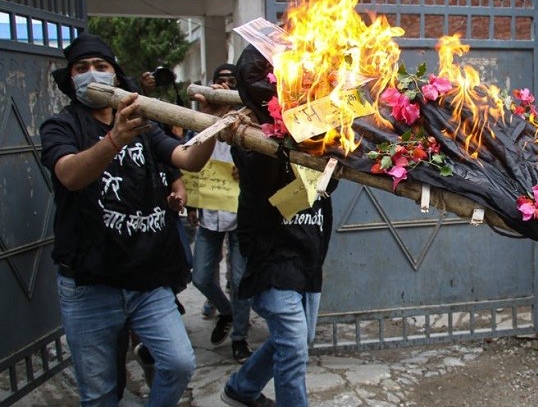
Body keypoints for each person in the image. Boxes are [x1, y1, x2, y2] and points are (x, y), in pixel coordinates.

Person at [39, 33, 228, 406]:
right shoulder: (60, 126)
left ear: (115, 74)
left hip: (148, 278)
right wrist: (114, 140)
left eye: (101, 66)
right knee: (100, 393)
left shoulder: (145, 125)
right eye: (82, 68)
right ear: (71, 77)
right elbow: (70, 176)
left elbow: (188, 159)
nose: (91, 73)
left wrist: (212, 125)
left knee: (177, 363)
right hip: (89, 284)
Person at [219, 45, 336, 407]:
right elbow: (270, 189)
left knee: (299, 340)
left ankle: (241, 388)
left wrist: (331, 138)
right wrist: (289, 131)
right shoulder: (248, 132)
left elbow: (328, 185)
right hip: (272, 256)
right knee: (294, 347)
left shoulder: (323, 128)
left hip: (307, 252)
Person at [191, 63, 253, 364]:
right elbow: (187, 157)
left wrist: (248, 169)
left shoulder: (251, 119)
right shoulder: (200, 118)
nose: (226, 86)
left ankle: (239, 337)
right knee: (201, 276)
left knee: (240, 279)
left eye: (232, 82)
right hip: (208, 213)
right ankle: (225, 311)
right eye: (221, 81)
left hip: (240, 214)